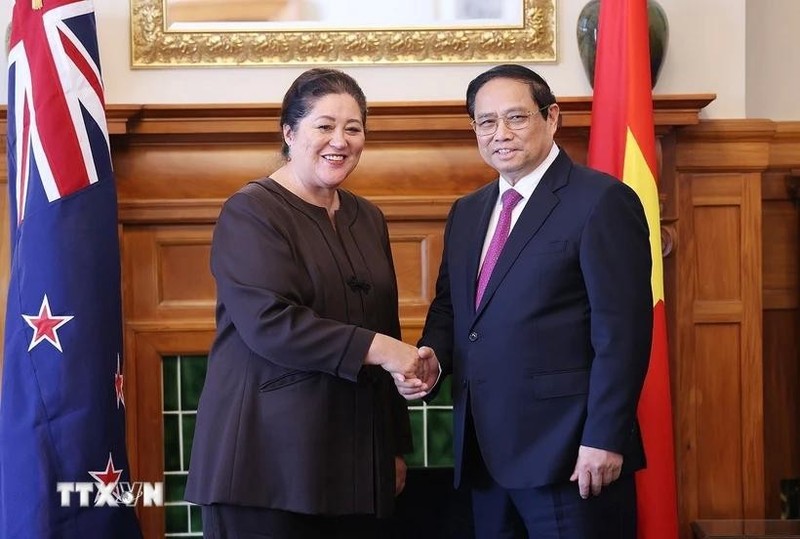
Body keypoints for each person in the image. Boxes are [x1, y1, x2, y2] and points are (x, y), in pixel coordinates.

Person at [396, 64, 653, 538]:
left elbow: (624, 335)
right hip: (484, 458)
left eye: (516, 117)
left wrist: (604, 438)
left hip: (572, 457)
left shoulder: (603, 201)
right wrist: (433, 354)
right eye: (486, 121)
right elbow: (454, 308)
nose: (500, 134)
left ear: (551, 118)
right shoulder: (468, 211)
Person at [185, 68, 429, 539]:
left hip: (358, 462)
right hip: (266, 465)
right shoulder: (251, 211)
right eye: (324, 125)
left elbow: (385, 323)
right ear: (289, 132)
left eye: (353, 128)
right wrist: (381, 348)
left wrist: (395, 446)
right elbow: (270, 324)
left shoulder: (368, 217)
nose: (340, 140)